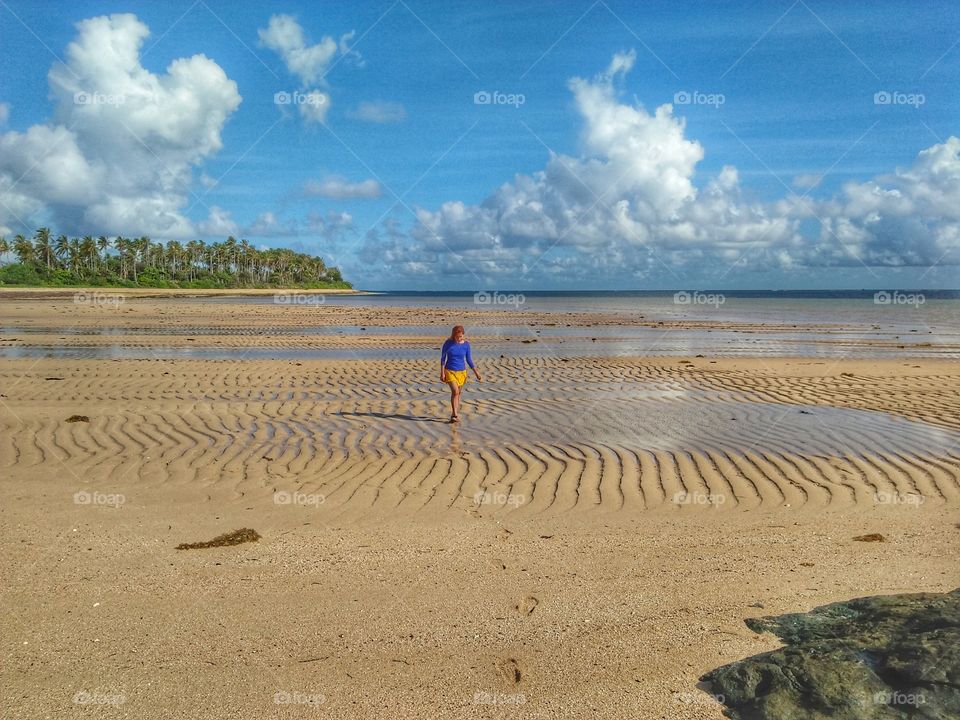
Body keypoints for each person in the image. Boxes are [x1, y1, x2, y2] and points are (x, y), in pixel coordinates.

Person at [440, 325, 481, 422]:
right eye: (457, 337)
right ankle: (454, 414)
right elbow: (443, 359)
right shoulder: (448, 343)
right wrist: (442, 373)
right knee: (455, 392)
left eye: (460, 336)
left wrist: (476, 373)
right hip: (450, 371)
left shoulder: (466, 345)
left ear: (463, 335)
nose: (459, 338)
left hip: (462, 372)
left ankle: (455, 414)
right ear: (453, 335)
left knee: (458, 394)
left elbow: (469, 359)